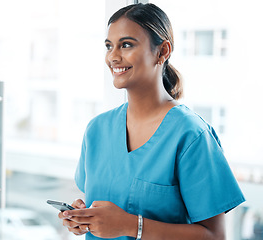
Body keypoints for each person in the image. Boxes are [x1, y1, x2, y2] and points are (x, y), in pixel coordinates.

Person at [58, 3, 245, 240]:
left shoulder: (191, 134)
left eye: (126, 45)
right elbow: (106, 207)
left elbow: (214, 236)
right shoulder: (97, 129)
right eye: (109, 46)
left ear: (162, 51)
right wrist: (84, 218)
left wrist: (130, 225)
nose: (113, 56)